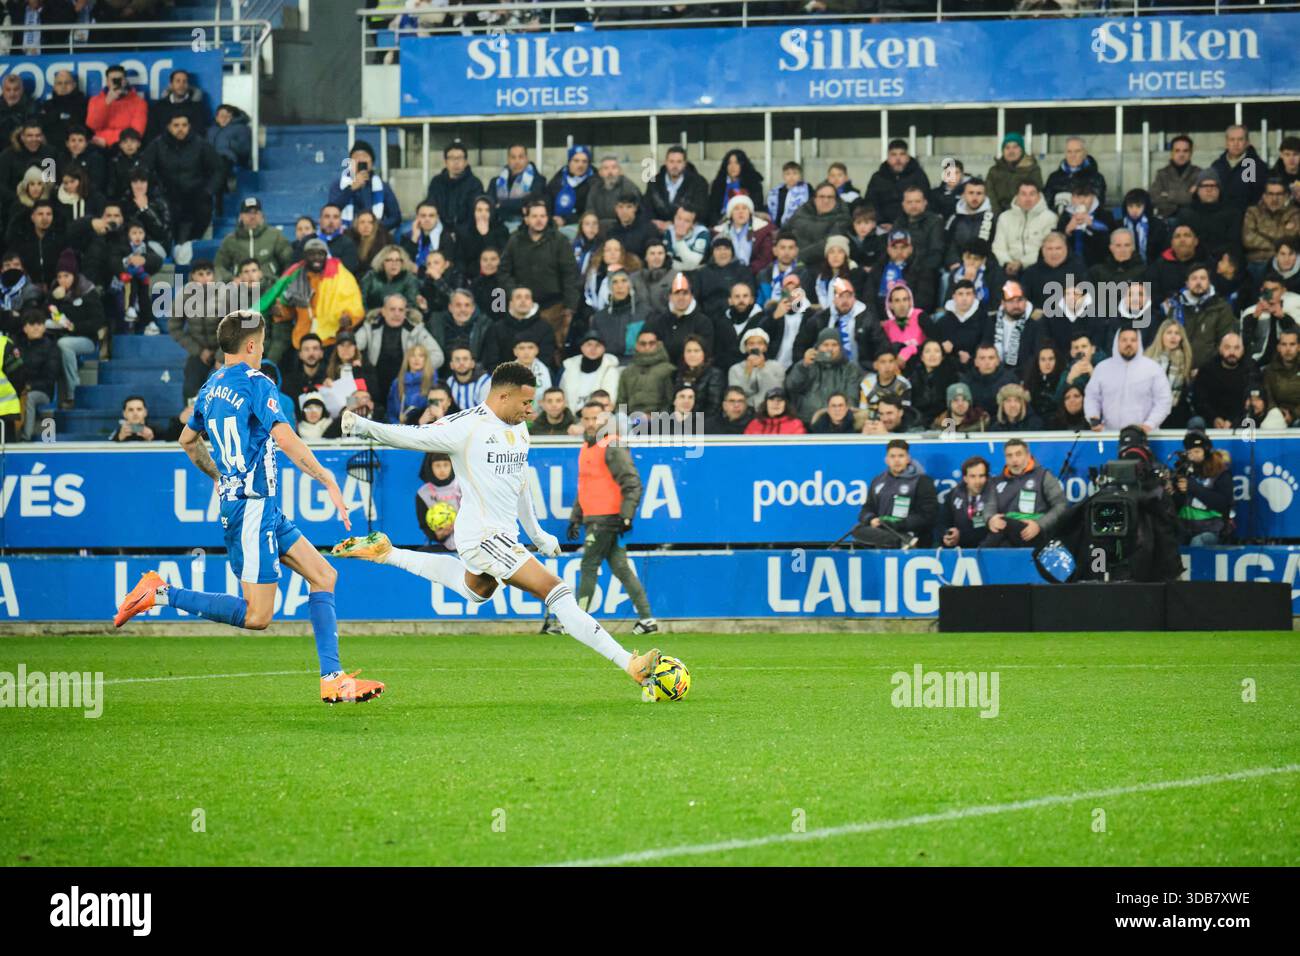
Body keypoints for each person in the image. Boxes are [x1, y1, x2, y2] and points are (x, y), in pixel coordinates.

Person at [334, 362, 667, 693]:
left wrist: (537, 534)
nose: (530, 410)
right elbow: (411, 437)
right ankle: (629, 663)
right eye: (525, 403)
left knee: (475, 590)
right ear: (503, 396)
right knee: (558, 592)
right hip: (481, 536)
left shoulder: (519, 428)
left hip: (505, 534)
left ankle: (387, 552)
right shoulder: (466, 426)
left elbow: (519, 483)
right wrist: (363, 426)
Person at [113, 312, 383, 704]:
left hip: (261, 507)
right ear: (253, 345)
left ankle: (333, 678)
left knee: (324, 575)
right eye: (264, 339)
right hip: (252, 510)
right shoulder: (258, 383)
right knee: (258, 617)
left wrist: (219, 477)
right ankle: (160, 593)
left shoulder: (209, 388)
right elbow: (285, 437)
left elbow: (188, 440)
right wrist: (326, 478)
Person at [552, 402, 658, 633]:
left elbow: (632, 483)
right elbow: (586, 487)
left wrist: (626, 516)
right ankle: (647, 619)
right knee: (620, 567)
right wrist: (575, 518)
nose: (591, 424)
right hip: (596, 517)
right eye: (587, 419)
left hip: (607, 519)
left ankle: (576, 622)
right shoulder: (587, 448)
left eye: (596, 419)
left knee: (589, 565)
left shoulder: (612, 446)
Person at [500, 199, 582, 354]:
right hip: (521, 307)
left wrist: (570, 307)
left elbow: (570, 275)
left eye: (543, 216)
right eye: (535, 216)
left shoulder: (560, 241)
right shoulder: (515, 240)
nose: (539, 220)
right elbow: (503, 271)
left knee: (552, 350)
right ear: (527, 219)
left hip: (553, 307)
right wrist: (513, 292)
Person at [982, 438, 1067, 549]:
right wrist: (990, 520)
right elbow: (989, 507)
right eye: (1009, 456)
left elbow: (1061, 506)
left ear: (1027, 455)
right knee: (1003, 541)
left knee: (1004, 525)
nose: (1014, 459)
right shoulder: (996, 482)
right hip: (1007, 534)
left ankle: (978, 553)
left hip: (1034, 533)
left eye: (1018, 454)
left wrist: (1039, 525)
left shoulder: (1043, 476)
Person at [1083, 328, 1172, 433]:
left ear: (1139, 343)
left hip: (1145, 435)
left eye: (1133, 340)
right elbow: (1092, 396)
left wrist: (1150, 424)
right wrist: (1093, 418)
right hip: (1109, 434)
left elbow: (1164, 400)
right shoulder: (1102, 368)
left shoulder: (1153, 368)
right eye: (1124, 340)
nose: (1128, 344)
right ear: (1117, 342)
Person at [853, 439, 937, 549]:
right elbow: (867, 508)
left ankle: (903, 539)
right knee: (857, 530)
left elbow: (928, 516)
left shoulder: (922, 481)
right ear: (886, 460)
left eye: (901, 456)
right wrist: (871, 519)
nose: (897, 460)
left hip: (911, 532)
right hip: (882, 530)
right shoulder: (878, 481)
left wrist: (896, 524)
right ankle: (901, 541)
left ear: (908, 459)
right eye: (892, 456)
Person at [786, 328, 862, 425]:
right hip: (807, 420)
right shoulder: (807, 364)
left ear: (840, 348)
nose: (830, 349)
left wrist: (839, 417)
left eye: (834, 345)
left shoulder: (850, 369)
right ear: (818, 347)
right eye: (825, 345)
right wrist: (803, 366)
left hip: (838, 423)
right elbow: (791, 386)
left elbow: (852, 398)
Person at [1173, 430, 1233, 547]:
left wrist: (1193, 487)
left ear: (1206, 452)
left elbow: (1223, 503)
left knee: (1197, 542)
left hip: (1212, 529)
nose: (1193, 456)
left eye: (1197, 451)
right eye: (1190, 452)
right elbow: (1177, 506)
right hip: (1185, 529)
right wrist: (1174, 491)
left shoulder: (1220, 472)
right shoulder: (1183, 471)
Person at [993, 180, 1056, 278]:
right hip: (1007, 268)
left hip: (1039, 268)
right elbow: (998, 246)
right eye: (1023, 194)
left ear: (1039, 196)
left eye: (1032, 194)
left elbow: (1047, 249)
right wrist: (1007, 263)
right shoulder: (1004, 217)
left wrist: (1022, 263)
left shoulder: (1050, 217)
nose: (1028, 199)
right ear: (1017, 196)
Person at [1194, 332, 1255, 429]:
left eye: (1236, 348)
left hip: (1240, 419)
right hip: (1210, 419)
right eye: (1227, 347)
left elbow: (1249, 401)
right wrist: (1214, 418)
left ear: (1243, 350)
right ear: (1220, 349)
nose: (1232, 352)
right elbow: (1199, 400)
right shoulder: (1207, 370)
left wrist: (1233, 420)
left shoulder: (1250, 370)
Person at [424, 140, 483, 236]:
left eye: (459, 158)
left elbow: (474, 214)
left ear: (466, 162)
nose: (456, 162)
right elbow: (431, 205)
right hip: (440, 231)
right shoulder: (436, 182)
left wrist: (457, 232)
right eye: (451, 158)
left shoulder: (475, 184)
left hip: (466, 233)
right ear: (445, 162)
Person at [1144, 318, 1195, 428]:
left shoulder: (1186, 360)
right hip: (1148, 411)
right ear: (1161, 336)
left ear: (1181, 338)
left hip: (1175, 413)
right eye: (1169, 333)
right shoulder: (1147, 359)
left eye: (1177, 333)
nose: (1173, 337)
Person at [937, 456, 996, 548]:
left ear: (987, 477)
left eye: (981, 476)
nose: (977, 481)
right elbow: (943, 523)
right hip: (959, 551)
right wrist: (948, 535)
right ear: (965, 478)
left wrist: (961, 536)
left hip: (988, 550)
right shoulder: (954, 495)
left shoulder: (995, 495)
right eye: (972, 476)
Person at [985, 132, 1043, 215]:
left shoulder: (1032, 169)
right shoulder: (994, 171)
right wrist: (998, 216)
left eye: (1015, 147)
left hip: (1024, 215)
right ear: (1003, 151)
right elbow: (990, 195)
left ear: (1021, 149)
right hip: (998, 215)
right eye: (1007, 148)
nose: (1011, 151)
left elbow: (1036, 196)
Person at [416, 452, 463, 551]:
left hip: (468, 541)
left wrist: (458, 525)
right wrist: (439, 535)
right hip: (445, 545)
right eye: (437, 465)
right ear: (430, 467)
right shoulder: (423, 493)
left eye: (446, 465)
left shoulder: (463, 486)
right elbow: (424, 525)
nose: (442, 470)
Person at [1149, 135, 1201, 220]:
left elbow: (1198, 200)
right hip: (1167, 219)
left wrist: (1168, 195)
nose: (1181, 154)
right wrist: (1187, 195)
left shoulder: (1198, 173)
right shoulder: (1162, 174)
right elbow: (1154, 198)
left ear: (1191, 153)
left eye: (1185, 151)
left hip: (1192, 220)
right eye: (1177, 151)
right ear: (1172, 153)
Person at [672, 333, 724, 414]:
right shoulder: (678, 373)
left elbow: (714, 407)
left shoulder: (714, 374)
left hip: (703, 421)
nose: (692, 355)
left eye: (696, 351)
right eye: (688, 351)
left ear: (704, 353)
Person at [1262, 327, 1300, 424]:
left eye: (1292, 344)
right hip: (1278, 414)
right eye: (1284, 344)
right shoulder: (1269, 371)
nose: (1288, 349)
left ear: (1299, 347)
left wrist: (1293, 414)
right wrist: (1279, 413)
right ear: (1278, 348)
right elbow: (1268, 397)